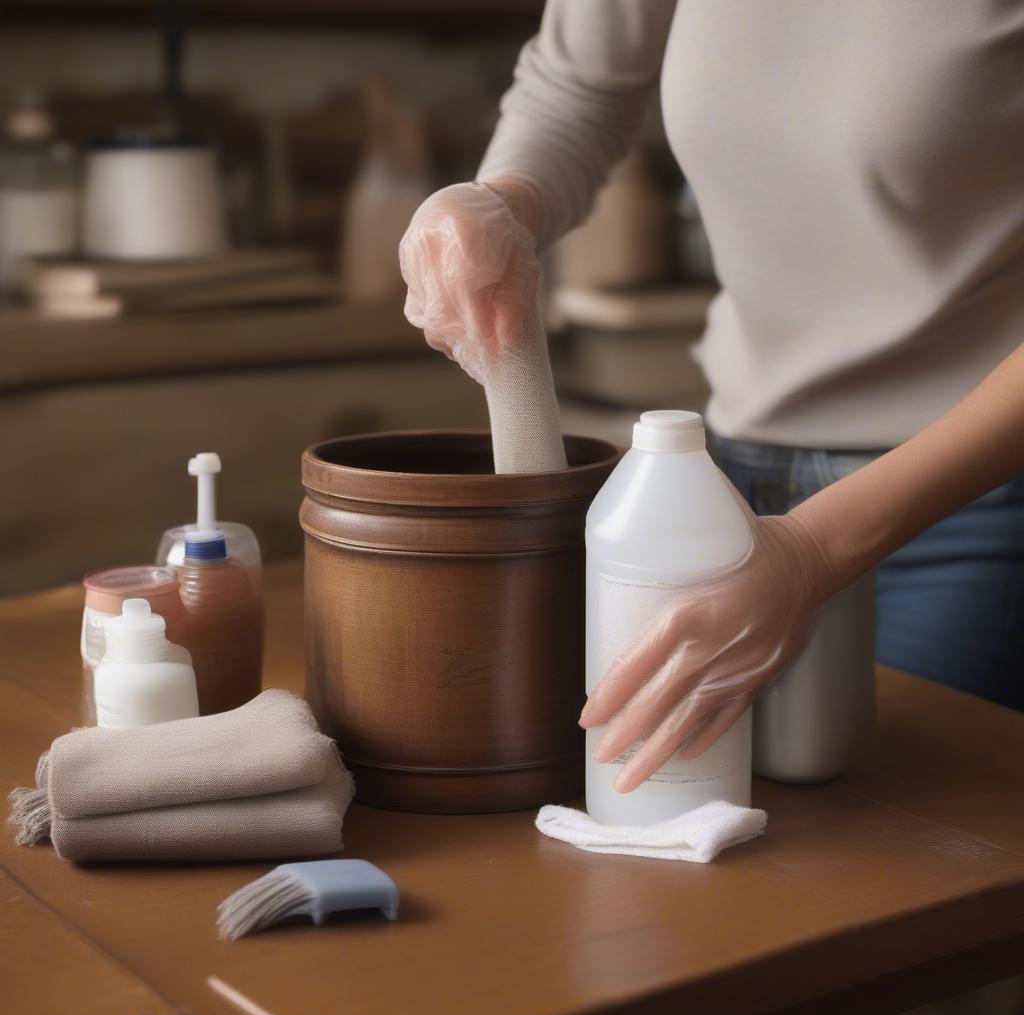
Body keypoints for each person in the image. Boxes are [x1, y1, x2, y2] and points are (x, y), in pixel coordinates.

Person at [400, 1, 1024, 790]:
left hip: (974, 496)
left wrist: (815, 548)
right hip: (728, 481)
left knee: (908, 849)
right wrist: (501, 201)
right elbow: (577, 91)